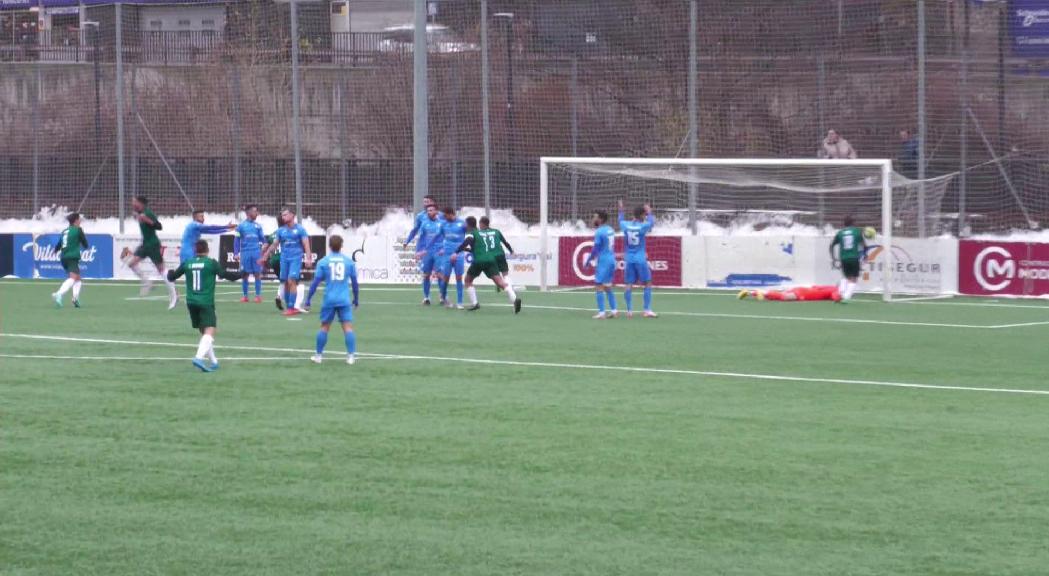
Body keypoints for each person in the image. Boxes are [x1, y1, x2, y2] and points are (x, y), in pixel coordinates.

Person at [166, 240, 243, 372]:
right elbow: (226, 275)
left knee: (204, 332)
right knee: (210, 330)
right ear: (207, 250)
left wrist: (169, 272)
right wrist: (243, 274)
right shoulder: (211, 263)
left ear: (195, 251)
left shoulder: (187, 263)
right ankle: (198, 358)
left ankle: (214, 362)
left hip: (191, 302)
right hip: (205, 302)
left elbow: (172, 277)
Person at [305, 235, 360, 365]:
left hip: (329, 299)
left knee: (324, 327)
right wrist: (356, 299)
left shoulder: (323, 262)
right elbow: (355, 283)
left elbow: (315, 283)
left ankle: (318, 356)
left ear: (329, 246)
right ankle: (351, 356)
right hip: (344, 299)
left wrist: (308, 299)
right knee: (347, 327)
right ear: (341, 246)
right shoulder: (349, 262)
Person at [453, 216, 521, 313]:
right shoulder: (484, 232)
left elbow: (467, 242)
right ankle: (514, 299)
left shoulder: (472, 233)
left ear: (468, 225)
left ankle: (475, 303)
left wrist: (456, 252)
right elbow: (475, 247)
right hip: (491, 259)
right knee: (500, 282)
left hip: (479, 261)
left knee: (468, 280)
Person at [127, 195, 179, 309]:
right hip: (145, 244)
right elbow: (138, 215)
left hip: (153, 245)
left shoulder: (148, 213)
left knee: (162, 271)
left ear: (140, 204)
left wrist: (148, 220)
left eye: (134, 202)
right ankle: (147, 282)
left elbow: (159, 226)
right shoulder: (139, 213)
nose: (132, 204)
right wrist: (138, 216)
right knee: (131, 263)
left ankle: (174, 296)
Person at [259, 209, 312, 316]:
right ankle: (289, 307)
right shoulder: (281, 231)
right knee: (286, 282)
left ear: (292, 215)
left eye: (285, 215)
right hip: (284, 259)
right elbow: (274, 244)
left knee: (291, 280)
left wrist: (308, 258)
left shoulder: (300, 229)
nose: (283, 217)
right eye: (282, 215)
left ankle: (292, 307)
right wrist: (265, 255)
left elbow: (306, 244)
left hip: (295, 258)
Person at [618, 200, 657, 318]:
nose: (645, 216)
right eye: (644, 215)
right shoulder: (643, 226)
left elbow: (620, 220)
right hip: (640, 259)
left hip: (629, 259)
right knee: (648, 283)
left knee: (628, 284)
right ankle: (647, 310)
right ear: (641, 215)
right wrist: (649, 211)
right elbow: (652, 222)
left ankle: (629, 310)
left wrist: (621, 209)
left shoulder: (625, 225)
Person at [407, 204, 444, 306]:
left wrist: (444, 249)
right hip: (427, 253)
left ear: (436, 211)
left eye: (431, 210)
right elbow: (421, 238)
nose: (429, 212)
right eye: (428, 211)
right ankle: (426, 297)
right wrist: (418, 251)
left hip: (439, 252)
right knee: (426, 275)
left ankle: (442, 297)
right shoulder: (424, 224)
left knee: (440, 275)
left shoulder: (442, 223)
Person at [51, 212, 89, 309]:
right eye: (79, 219)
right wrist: (84, 245)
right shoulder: (78, 230)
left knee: (77, 279)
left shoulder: (65, 231)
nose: (80, 221)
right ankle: (59, 294)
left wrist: (55, 251)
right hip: (72, 257)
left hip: (64, 257)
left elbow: (59, 244)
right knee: (73, 278)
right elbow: (85, 243)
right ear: (76, 220)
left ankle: (75, 299)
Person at [585, 210, 618, 319]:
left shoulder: (599, 232)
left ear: (601, 219)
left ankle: (601, 313)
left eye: (595, 217)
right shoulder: (610, 229)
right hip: (612, 260)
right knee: (607, 286)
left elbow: (595, 249)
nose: (594, 219)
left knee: (599, 286)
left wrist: (589, 260)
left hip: (604, 261)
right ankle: (614, 311)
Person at [436, 206, 468, 309]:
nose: (444, 218)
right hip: (447, 254)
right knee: (445, 278)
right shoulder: (443, 224)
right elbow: (438, 237)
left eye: (445, 216)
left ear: (451, 214)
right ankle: (445, 299)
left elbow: (471, 234)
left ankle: (460, 302)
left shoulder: (462, 223)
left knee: (459, 278)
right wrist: (439, 248)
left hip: (459, 254)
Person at [830, 215, 867, 302]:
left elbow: (831, 245)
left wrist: (833, 258)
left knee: (846, 276)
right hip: (854, 257)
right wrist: (865, 255)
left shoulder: (840, 233)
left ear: (844, 224)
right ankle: (846, 297)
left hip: (843, 258)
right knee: (853, 278)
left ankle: (841, 292)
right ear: (853, 223)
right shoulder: (857, 231)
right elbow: (864, 246)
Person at [234, 204, 266, 303]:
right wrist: (236, 253)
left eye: (257, 211)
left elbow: (263, 239)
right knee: (245, 275)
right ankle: (245, 296)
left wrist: (265, 243)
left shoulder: (258, 226)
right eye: (255, 211)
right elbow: (236, 240)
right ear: (248, 213)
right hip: (245, 253)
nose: (257, 213)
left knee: (257, 274)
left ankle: (257, 296)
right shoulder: (240, 226)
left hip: (256, 253)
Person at [480, 216, 515, 293]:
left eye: (480, 224)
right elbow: (505, 242)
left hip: (490, 256)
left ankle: (501, 285)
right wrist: (511, 251)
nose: (479, 226)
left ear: (482, 224)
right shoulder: (496, 231)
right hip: (500, 254)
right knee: (505, 274)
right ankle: (510, 289)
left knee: (495, 273)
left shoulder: (480, 233)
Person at [738, 285, 841, 302]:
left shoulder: (830, 287)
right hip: (803, 294)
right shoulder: (835, 290)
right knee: (783, 297)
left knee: (775, 296)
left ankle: (750, 292)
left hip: (801, 290)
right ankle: (761, 291)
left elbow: (815, 287)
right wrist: (839, 298)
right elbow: (835, 297)